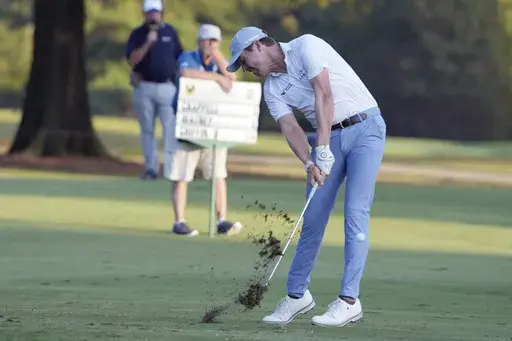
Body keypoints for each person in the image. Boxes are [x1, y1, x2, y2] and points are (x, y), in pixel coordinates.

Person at [225, 27, 386, 327]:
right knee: (311, 217)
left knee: (355, 213)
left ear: (258, 45)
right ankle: (298, 296)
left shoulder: (305, 47)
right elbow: (291, 128)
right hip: (329, 139)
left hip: (365, 128)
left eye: (244, 59)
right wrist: (309, 162)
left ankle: (349, 301)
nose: (245, 68)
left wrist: (321, 146)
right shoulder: (271, 88)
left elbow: (323, 93)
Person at [168, 24, 243, 237]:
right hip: (187, 123)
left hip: (213, 126)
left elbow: (233, 77)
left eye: (214, 41)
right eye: (207, 40)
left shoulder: (220, 61)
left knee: (218, 173)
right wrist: (218, 78)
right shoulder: (188, 56)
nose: (210, 44)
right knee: (181, 174)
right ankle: (179, 221)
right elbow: (186, 73)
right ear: (199, 41)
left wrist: (218, 57)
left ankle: (221, 220)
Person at [125, 0, 183, 180]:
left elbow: (179, 58)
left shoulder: (170, 32)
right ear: (144, 14)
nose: (153, 16)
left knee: (169, 129)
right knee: (147, 130)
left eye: (156, 12)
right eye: (150, 12)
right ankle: (151, 169)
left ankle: (170, 170)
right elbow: (132, 59)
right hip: (144, 87)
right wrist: (148, 43)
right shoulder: (137, 34)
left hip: (167, 87)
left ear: (161, 13)